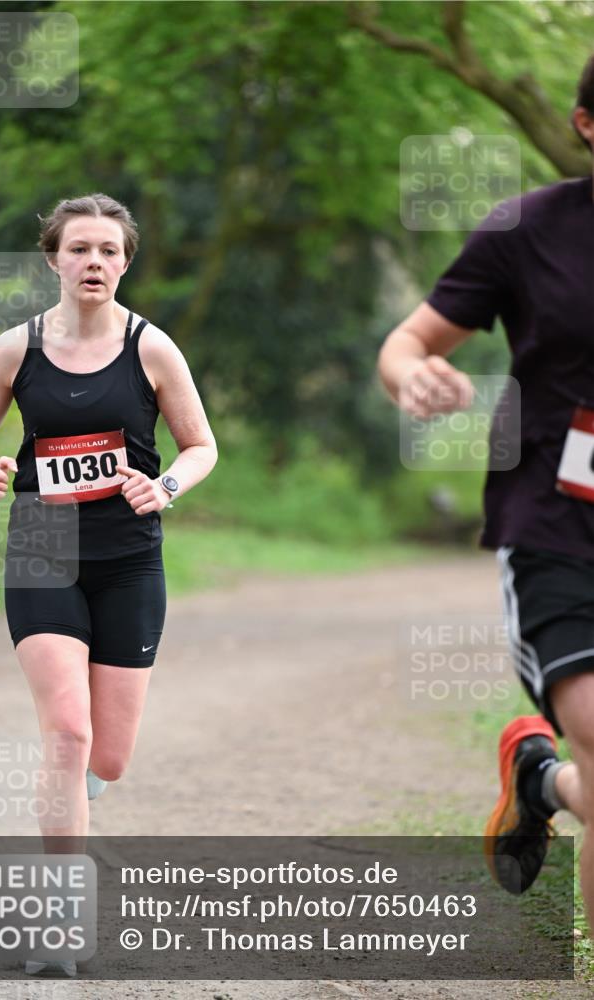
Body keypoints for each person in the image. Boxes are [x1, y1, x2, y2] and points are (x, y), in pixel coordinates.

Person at [0, 193, 218, 975]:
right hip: (42, 543)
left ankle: (79, 796)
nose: (94, 262)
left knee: (108, 756)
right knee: (65, 732)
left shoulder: (153, 348)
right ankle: (58, 922)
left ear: (124, 262)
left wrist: (163, 486)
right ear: (54, 261)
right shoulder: (13, 349)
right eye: (79, 249)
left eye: (108, 250)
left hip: (130, 554)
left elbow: (200, 447)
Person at [377, 55, 594, 927]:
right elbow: (408, 339)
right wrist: (413, 377)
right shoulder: (526, 229)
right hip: (554, 519)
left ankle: (540, 779)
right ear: (585, 125)